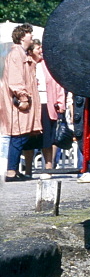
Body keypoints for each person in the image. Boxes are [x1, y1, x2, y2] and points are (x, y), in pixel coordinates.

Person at [0, 24, 42, 181]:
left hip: (23, 102)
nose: (31, 36)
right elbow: (15, 80)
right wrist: (23, 98)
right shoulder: (16, 55)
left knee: (21, 135)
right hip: (19, 103)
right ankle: (11, 172)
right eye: (29, 33)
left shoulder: (24, 54)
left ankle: (14, 170)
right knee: (18, 135)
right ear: (22, 36)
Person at [25, 40, 65, 179]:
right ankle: (28, 171)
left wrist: (61, 102)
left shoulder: (47, 65)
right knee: (30, 139)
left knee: (47, 139)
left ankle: (48, 169)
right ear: (30, 51)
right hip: (31, 106)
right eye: (38, 48)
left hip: (47, 104)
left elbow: (57, 84)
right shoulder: (27, 65)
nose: (41, 50)